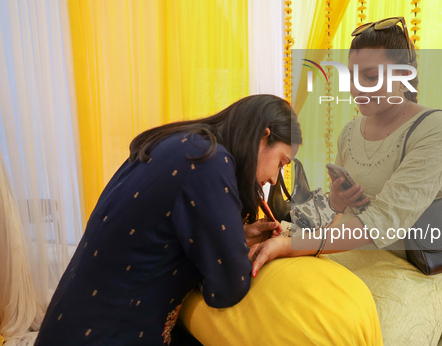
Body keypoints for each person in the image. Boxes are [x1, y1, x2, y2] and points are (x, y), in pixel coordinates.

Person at [250, 17, 442, 346]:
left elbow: (385, 223)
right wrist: (335, 203)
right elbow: (334, 210)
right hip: (348, 247)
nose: (357, 89)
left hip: (412, 264)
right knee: (279, 310)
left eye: (370, 77)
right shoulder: (350, 131)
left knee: (367, 337)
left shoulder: (435, 129)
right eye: (353, 77)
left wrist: (293, 245)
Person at [34, 94, 302, 346]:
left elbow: (159, 232)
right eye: (281, 163)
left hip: (72, 325)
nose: (274, 179)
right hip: (108, 334)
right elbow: (227, 288)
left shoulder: (180, 142)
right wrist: (267, 250)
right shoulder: (208, 161)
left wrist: (235, 234)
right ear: (262, 137)